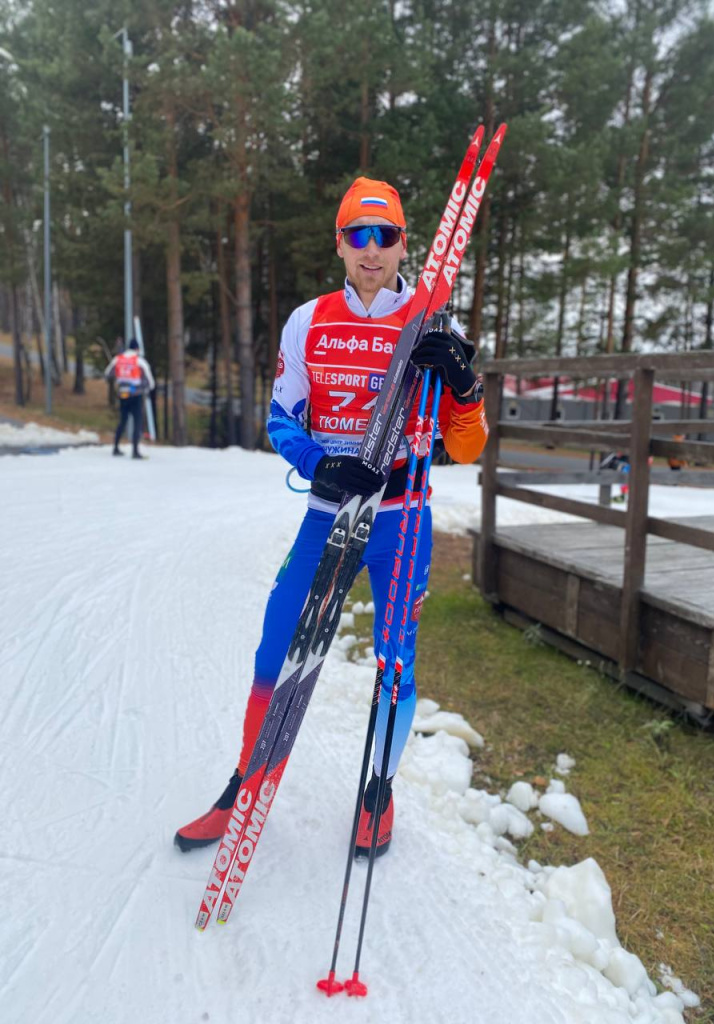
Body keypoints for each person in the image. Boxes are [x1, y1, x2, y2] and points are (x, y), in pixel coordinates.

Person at [175, 176, 488, 858]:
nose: (371, 250)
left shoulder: (433, 323)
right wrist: (320, 463)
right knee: (276, 645)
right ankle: (246, 782)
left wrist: (465, 384)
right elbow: (279, 418)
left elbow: (466, 445)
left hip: (403, 519)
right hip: (328, 514)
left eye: (385, 236)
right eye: (357, 236)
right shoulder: (307, 320)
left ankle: (378, 789)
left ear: (405, 244)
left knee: (394, 663)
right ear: (340, 245)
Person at [104, 339, 155, 459]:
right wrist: (145, 388)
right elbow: (150, 382)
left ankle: (116, 447)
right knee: (137, 422)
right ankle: (135, 451)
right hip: (136, 394)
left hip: (123, 394)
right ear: (137, 349)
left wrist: (117, 380)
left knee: (122, 421)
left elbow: (107, 373)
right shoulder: (139, 361)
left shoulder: (118, 359)